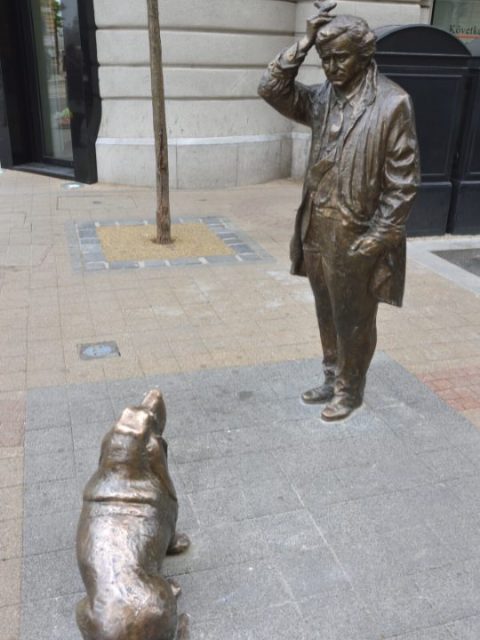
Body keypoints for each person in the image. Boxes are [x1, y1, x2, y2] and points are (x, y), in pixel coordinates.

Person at [258, 1, 420, 421]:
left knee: (355, 319)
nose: (330, 67)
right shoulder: (320, 99)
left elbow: (403, 182)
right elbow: (271, 88)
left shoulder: (392, 103)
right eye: (325, 59)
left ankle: (351, 389)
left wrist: (377, 238)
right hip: (316, 226)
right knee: (326, 310)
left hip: (357, 233)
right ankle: (332, 376)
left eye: (339, 57)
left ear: (365, 56)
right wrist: (306, 40)